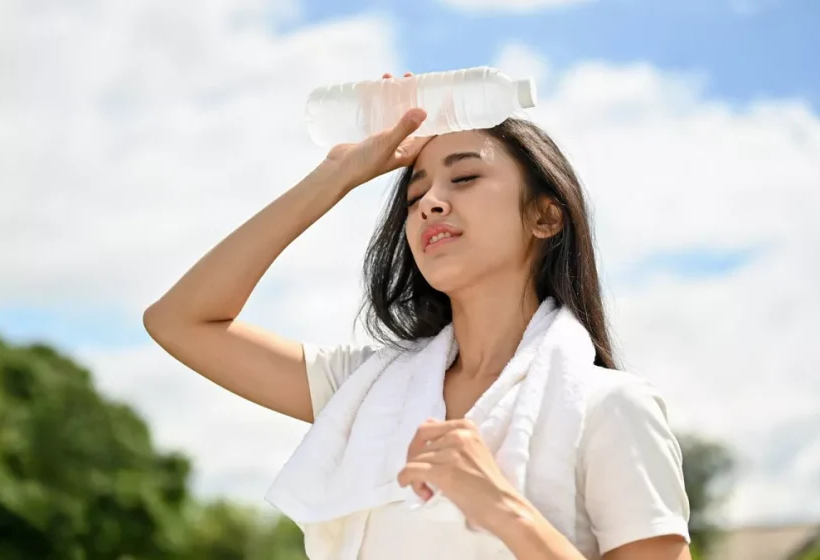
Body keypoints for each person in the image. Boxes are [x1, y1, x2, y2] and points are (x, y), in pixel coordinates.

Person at [144, 71, 692, 560]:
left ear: (545, 216)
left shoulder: (612, 408)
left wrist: (504, 509)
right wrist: (336, 175)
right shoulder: (364, 391)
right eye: (414, 194)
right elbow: (180, 321)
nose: (430, 201)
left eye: (465, 177)